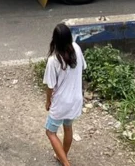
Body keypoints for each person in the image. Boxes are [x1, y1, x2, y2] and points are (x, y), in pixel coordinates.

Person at [43, 23, 85, 166]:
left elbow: (50, 86)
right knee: (68, 128)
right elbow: (83, 68)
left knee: (50, 132)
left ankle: (66, 163)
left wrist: (48, 101)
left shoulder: (53, 60)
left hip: (61, 103)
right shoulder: (77, 49)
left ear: (54, 40)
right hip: (76, 100)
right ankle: (62, 155)